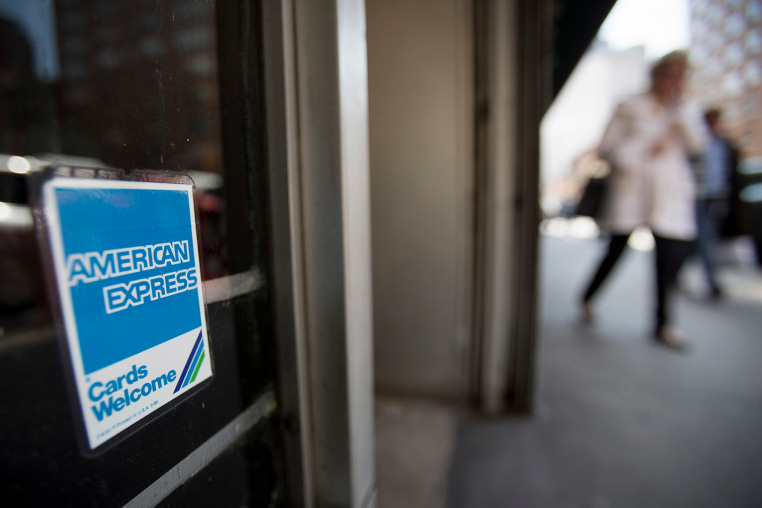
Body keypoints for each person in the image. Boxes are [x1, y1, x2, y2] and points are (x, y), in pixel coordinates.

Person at [580, 50, 709, 349]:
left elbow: (698, 146)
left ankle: (664, 324)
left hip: (669, 195)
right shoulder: (630, 105)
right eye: (668, 74)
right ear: (656, 74)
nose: (672, 82)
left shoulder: (686, 109)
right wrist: (641, 150)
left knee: (668, 260)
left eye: (679, 77)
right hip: (633, 190)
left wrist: (680, 120)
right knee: (616, 250)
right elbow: (607, 148)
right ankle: (587, 297)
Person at [693, 108, 738, 298]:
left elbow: (730, 172)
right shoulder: (696, 141)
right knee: (706, 239)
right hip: (697, 197)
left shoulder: (724, 144)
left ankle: (673, 275)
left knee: (701, 240)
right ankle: (713, 283)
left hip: (717, 197)